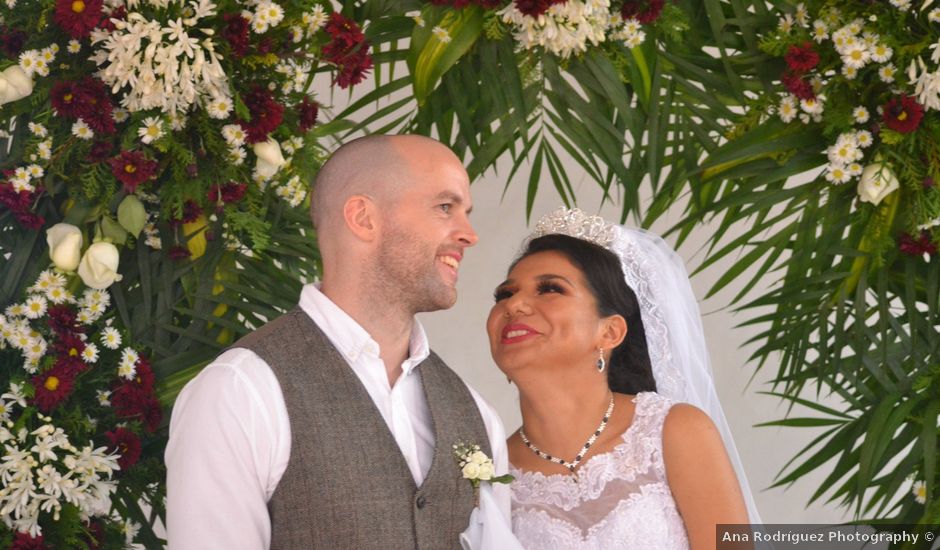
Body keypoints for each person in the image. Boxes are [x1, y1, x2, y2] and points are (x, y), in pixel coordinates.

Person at [165, 135, 513, 550]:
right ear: (363, 218)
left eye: (465, 213)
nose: (469, 234)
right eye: (444, 207)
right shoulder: (241, 392)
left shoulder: (476, 413)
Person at [486, 208, 758, 549]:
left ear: (610, 332)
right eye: (504, 294)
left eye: (549, 289)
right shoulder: (492, 471)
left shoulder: (672, 431)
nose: (515, 305)